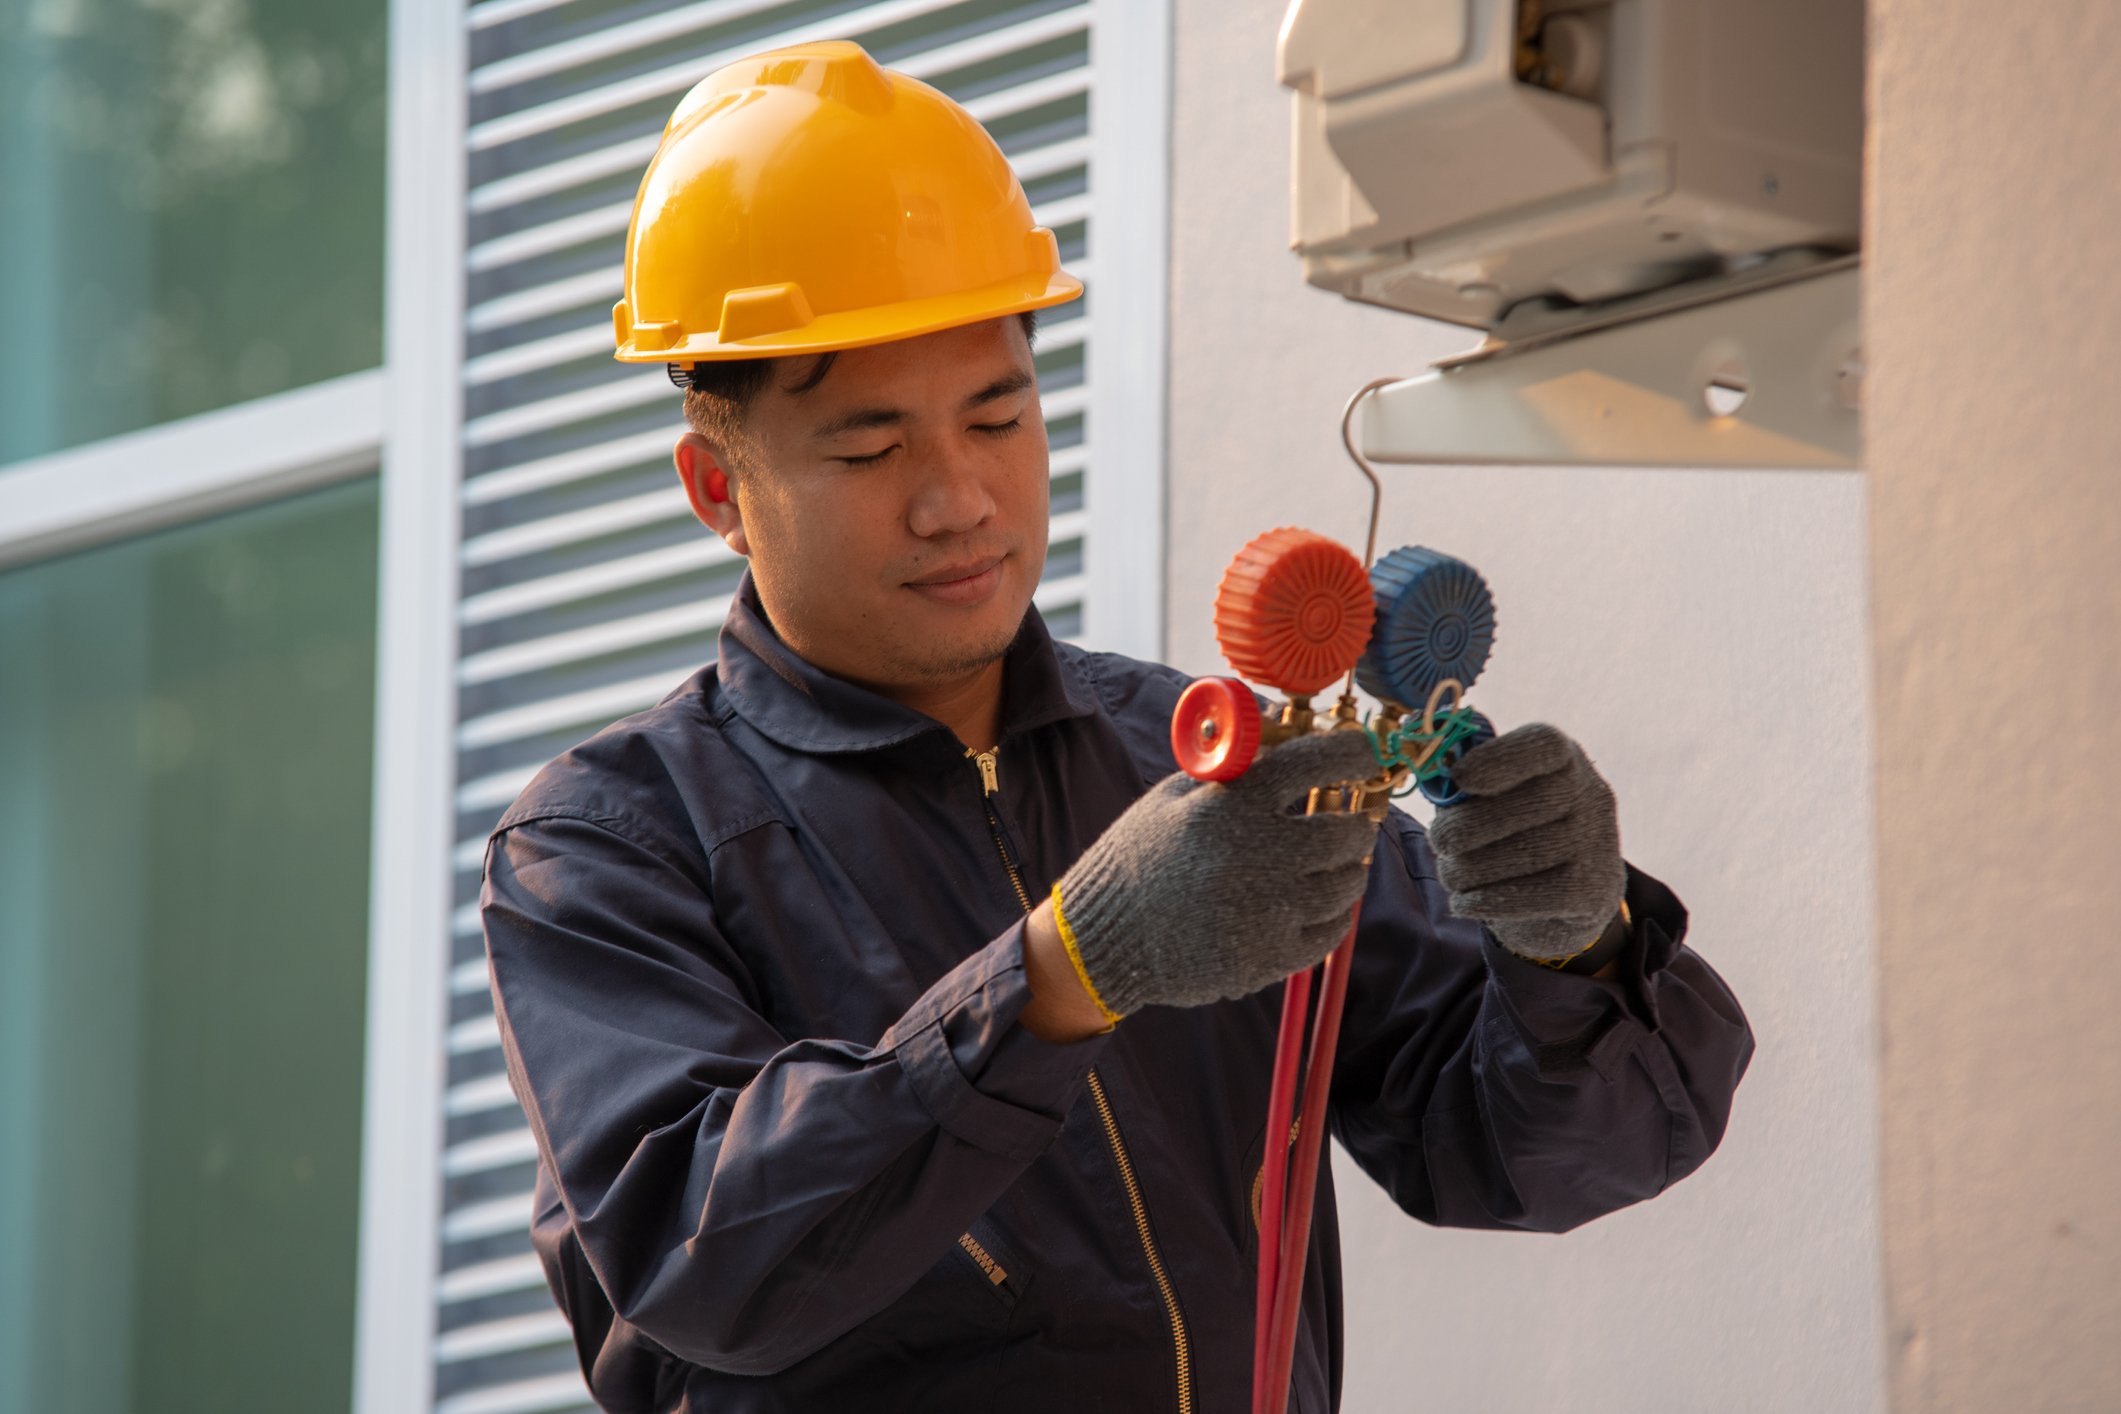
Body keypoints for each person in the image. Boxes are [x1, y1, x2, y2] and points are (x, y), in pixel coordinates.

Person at [480, 40, 1754, 1414]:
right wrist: (1059, 975)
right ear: (713, 485)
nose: (957, 496)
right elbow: (701, 1260)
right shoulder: (606, 846)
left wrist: (1570, 944)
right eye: (869, 446)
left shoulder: (1184, 757)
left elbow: (1539, 1150)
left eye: (998, 413)